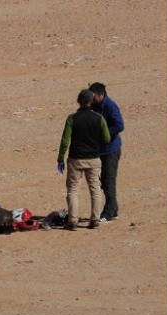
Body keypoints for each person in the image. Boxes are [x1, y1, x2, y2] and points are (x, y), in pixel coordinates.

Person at [57, 89, 111, 230]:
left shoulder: (71, 118)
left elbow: (65, 140)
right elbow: (106, 138)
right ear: (91, 101)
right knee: (95, 189)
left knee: (73, 189)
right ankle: (95, 219)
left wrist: (60, 158)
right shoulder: (99, 118)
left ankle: (73, 221)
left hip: (76, 159)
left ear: (78, 101)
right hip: (93, 158)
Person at [88, 82, 125, 223]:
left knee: (108, 180)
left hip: (111, 150)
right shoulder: (93, 106)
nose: (91, 98)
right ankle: (113, 209)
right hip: (99, 150)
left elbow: (120, 125)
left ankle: (109, 212)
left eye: (93, 96)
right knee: (103, 181)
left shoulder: (110, 106)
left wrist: (106, 134)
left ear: (100, 95)